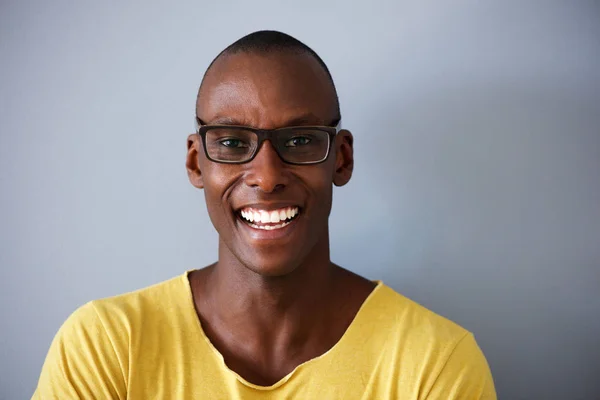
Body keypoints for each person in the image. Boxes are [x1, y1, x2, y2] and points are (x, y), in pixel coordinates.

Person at [33, 30, 496, 399]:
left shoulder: (434, 364)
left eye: (299, 141)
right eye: (233, 143)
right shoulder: (107, 347)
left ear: (342, 158)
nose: (267, 175)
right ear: (197, 163)